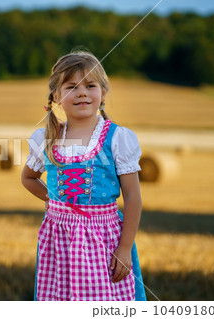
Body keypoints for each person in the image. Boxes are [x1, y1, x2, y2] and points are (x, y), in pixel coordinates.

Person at [21, 50, 147, 301]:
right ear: (56, 96)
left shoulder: (118, 138)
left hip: (104, 239)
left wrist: (124, 248)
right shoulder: (46, 138)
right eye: (71, 87)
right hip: (59, 241)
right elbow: (28, 178)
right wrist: (54, 199)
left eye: (90, 85)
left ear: (103, 93)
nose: (81, 92)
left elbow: (133, 197)